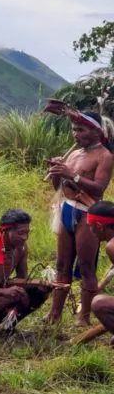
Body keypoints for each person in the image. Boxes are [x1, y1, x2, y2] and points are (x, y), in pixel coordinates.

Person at [45, 111, 113, 326]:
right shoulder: (73, 155)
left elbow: (99, 188)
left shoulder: (104, 156)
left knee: (86, 267)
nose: (75, 134)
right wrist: (57, 173)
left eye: (81, 130)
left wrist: (71, 175)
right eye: (74, 130)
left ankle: (83, 318)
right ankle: (54, 314)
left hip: (87, 213)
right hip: (67, 209)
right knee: (62, 264)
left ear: (96, 132)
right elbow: (60, 188)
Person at [84, 201, 114, 345]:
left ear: (99, 226)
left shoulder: (112, 246)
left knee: (99, 304)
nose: (90, 231)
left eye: (90, 227)